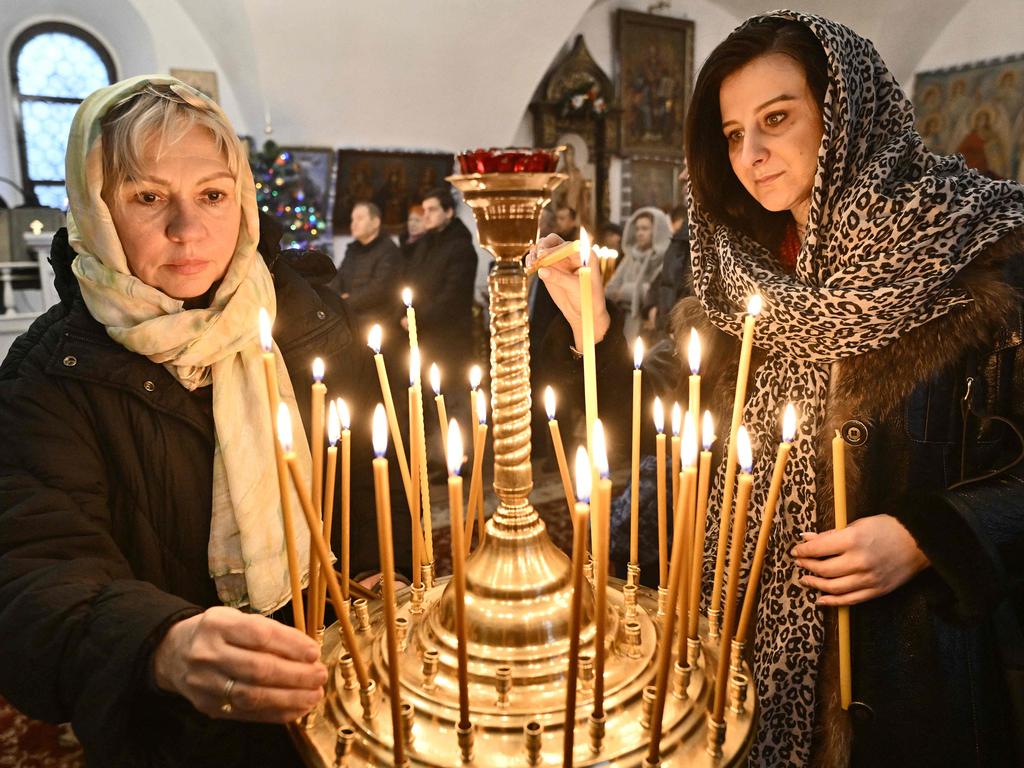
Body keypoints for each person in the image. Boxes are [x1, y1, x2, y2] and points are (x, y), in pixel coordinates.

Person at [535, 11, 1024, 768]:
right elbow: (678, 416)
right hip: (739, 636)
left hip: (907, 672)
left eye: (776, 118)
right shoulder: (741, 274)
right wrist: (596, 335)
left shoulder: (981, 261)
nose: (752, 155)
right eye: (732, 134)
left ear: (846, 114)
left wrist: (930, 536)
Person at [0, 76, 410, 767]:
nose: (188, 230)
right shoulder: (48, 375)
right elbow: (31, 579)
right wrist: (161, 644)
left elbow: (373, 480)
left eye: (213, 195)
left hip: (343, 690)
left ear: (242, 199)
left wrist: (380, 571)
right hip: (177, 735)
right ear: (96, 210)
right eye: (148, 197)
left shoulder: (304, 320)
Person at [403, 187, 478, 442]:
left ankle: (461, 455)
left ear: (448, 211)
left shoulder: (461, 247)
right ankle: (437, 456)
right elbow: (412, 281)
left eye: (432, 209)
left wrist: (417, 316)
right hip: (424, 332)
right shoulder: (426, 242)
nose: (426, 215)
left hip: (450, 336)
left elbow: (452, 295)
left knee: (453, 396)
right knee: (431, 395)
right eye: (424, 210)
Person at [327, 201, 401, 335]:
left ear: (375, 222)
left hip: (378, 320)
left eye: (360, 219)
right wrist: (333, 299)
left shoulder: (388, 250)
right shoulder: (353, 249)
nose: (353, 224)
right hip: (350, 314)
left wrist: (345, 302)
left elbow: (379, 289)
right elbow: (339, 276)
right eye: (352, 219)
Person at [604, 206, 671, 341]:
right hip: (625, 322)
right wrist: (638, 290)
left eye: (645, 228)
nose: (640, 233)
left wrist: (624, 291)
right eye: (638, 229)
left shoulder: (665, 258)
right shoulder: (630, 257)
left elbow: (655, 293)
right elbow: (610, 290)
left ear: (657, 231)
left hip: (649, 326)